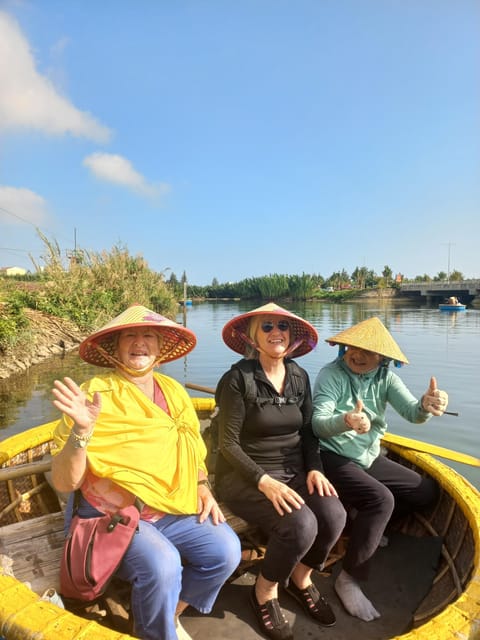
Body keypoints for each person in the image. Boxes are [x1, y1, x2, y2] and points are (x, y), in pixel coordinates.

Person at [50, 304, 241, 640]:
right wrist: (81, 430)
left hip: (170, 506)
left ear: (160, 346)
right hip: (112, 515)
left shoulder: (173, 391)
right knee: (163, 564)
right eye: (130, 336)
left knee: (226, 551)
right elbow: (66, 482)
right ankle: (157, 633)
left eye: (148, 335)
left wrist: (201, 484)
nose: (139, 343)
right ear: (116, 346)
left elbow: (192, 447)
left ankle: (167, 615)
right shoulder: (94, 394)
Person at [215, 303, 347, 640]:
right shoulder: (237, 380)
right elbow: (227, 445)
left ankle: (301, 579)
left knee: (333, 515)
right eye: (268, 326)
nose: (277, 333)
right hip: (246, 476)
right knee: (301, 524)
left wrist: (315, 469)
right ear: (254, 337)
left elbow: (308, 433)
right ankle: (264, 590)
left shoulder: (299, 376)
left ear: (292, 338)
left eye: (284, 328)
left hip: (293, 473)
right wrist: (263, 481)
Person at [311, 316, 448, 622]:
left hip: (368, 456)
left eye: (367, 351)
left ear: (383, 358)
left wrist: (427, 406)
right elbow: (318, 425)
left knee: (426, 492)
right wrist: (345, 420)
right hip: (332, 456)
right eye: (351, 348)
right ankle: (349, 578)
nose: (356, 355)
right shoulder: (330, 374)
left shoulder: (386, 378)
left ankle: (369, 526)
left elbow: (412, 413)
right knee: (381, 499)